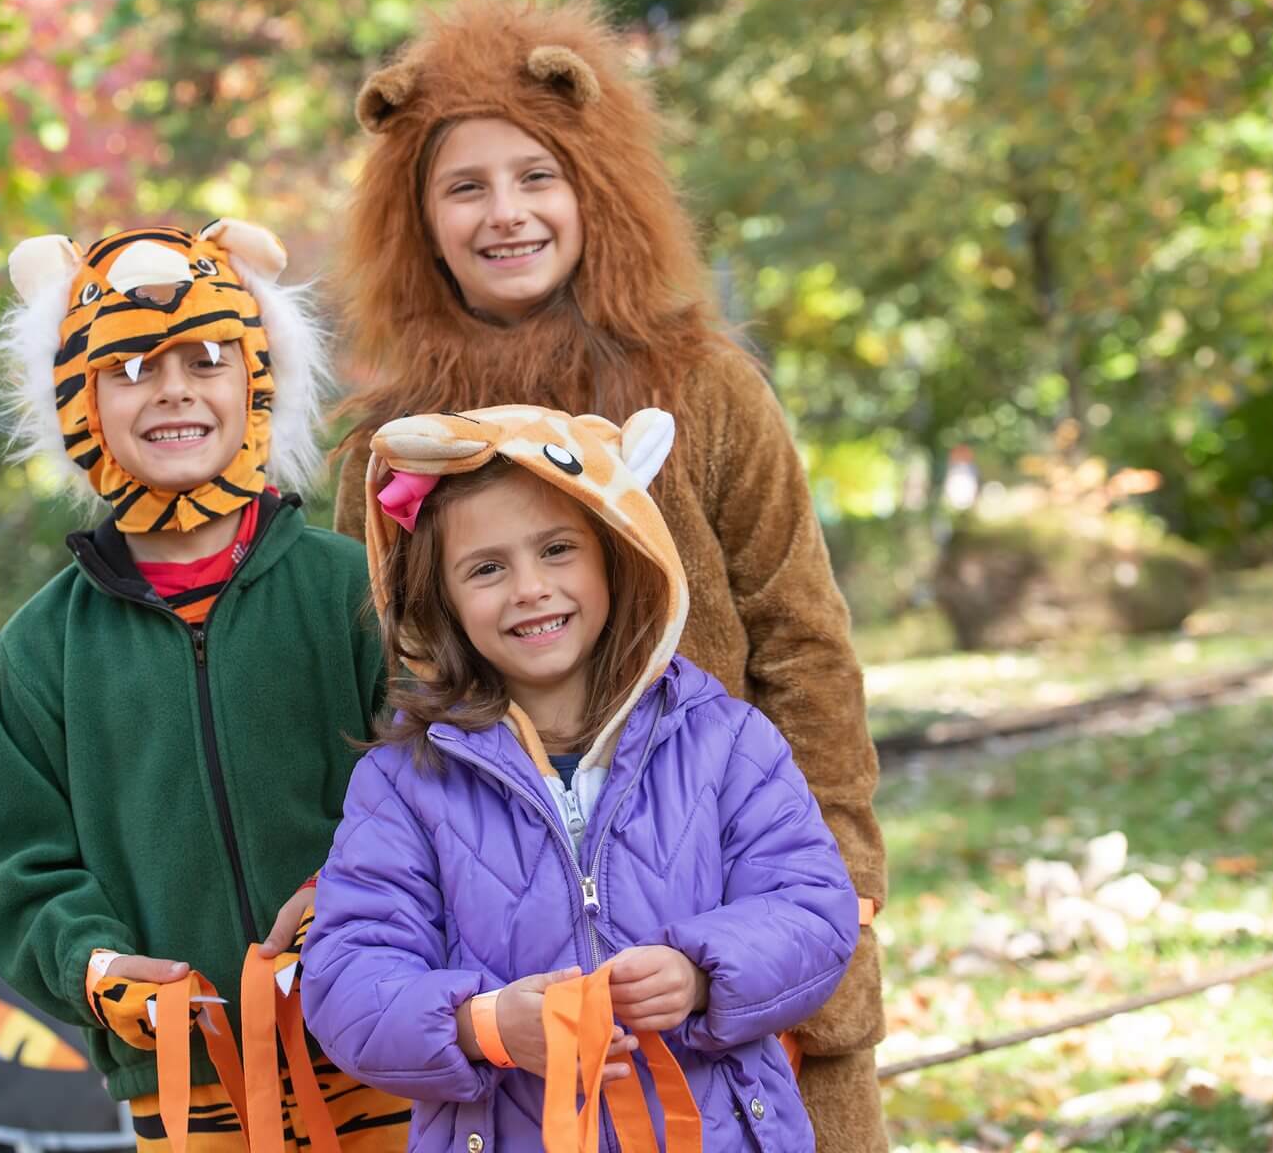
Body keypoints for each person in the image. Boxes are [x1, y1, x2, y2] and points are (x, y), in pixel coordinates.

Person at [329, 0, 890, 1151]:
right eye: (464, 186)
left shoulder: (705, 383)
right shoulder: (385, 440)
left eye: (537, 175)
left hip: (721, 894)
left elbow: (802, 636)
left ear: (593, 186)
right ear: (417, 216)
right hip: (506, 975)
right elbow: (371, 675)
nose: (506, 213)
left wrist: (837, 877)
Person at [302, 404, 859, 1152]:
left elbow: (815, 911)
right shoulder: (403, 785)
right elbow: (345, 983)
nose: (530, 588)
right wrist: (486, 1025)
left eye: (558, 549)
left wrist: (700, 973)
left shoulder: (726, 743)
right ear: (440, 602)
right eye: (487, 568)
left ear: (617, 554)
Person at [0, 219, 409, 1150]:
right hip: (187, 1076)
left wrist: (355, 892)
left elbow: (432, 781)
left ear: (256, 377)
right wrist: (93, 965)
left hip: (386, 1034)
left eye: (205, 358)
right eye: (129, 369)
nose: (171, 391)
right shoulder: (40, 650)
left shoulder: (353, 591)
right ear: (76, 399)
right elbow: (19, 872)